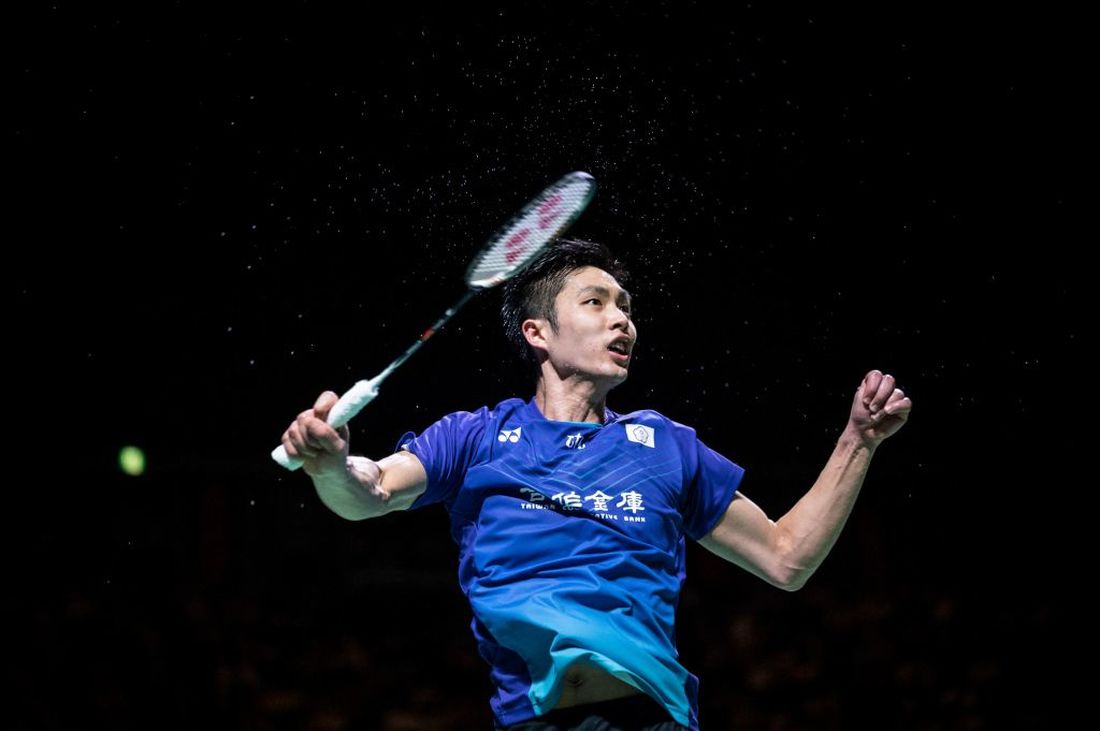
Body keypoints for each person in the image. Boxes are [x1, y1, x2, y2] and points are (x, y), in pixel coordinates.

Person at [279, 239, 912, 731]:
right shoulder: (476, 437)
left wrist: (858, 440)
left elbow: (786, 558)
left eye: (626, 308)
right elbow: (370, 493)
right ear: (538, 333)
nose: (623, 321)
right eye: (596, 303)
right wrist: (331, 465)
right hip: (530, 719)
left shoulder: (665, 447)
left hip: (652, 718)